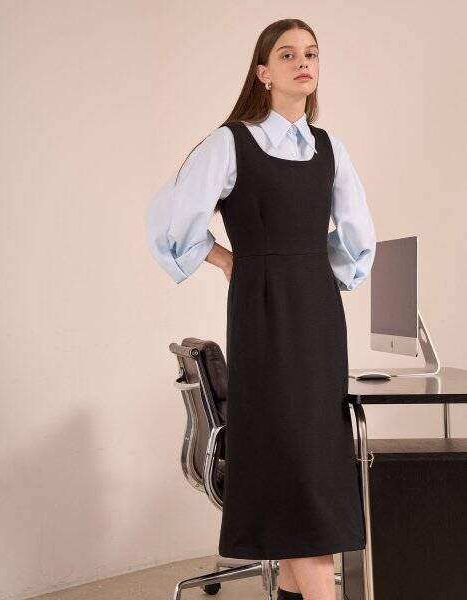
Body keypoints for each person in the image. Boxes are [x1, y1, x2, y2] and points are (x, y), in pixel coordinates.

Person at [145, 18, 376, 600]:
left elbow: (358, 243)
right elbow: (172, 222)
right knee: (297, 465)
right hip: (263, 317)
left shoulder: (330, 148)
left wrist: (305, 261)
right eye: (288, 54)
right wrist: (232, 259)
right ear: (263, 72)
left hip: (319, 320)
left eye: (311, 54)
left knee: (310, 464)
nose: (303, 63)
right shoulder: (231, 142)